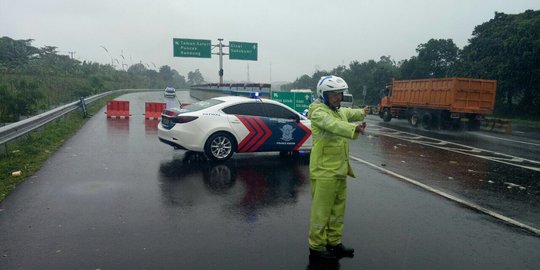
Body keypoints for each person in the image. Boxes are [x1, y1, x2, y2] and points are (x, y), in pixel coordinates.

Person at [307, 75, 367, 260]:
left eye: (340, 94)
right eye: (334, 94)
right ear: (323, 94)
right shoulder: (317, 111)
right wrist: (353, 129)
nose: (338, 97)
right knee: (322, 211)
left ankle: (334, 243)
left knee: (337, 210)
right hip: (324, 172)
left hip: (339, 170)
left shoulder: (338, 110)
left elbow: (350, 113)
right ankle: (316, 247)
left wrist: (363, 112)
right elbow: (332, 125)